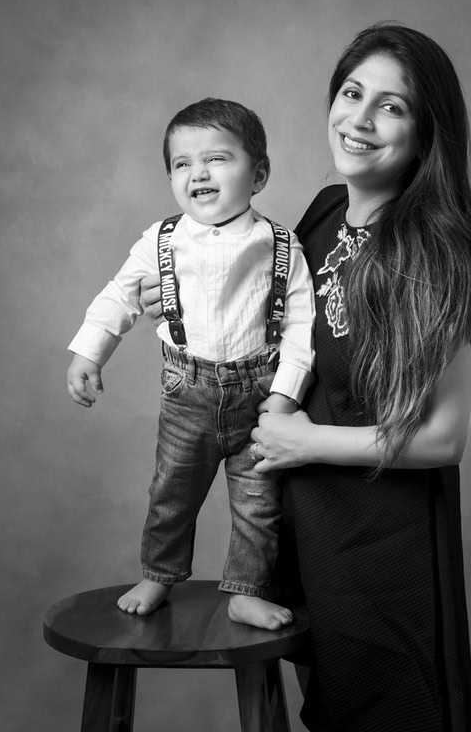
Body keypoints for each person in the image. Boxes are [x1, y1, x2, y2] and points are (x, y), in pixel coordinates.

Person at [144, 24, 471, 730]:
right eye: (351, 93)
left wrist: (304, 443)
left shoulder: (435, 250)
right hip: (307, 538)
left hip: (381, 552)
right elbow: (278, 329)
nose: (359, 120)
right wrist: (189, 296)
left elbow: (443, 438)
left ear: (426, 133)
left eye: (391, 106)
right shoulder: (327, 211)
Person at [65, 98, 315, 631]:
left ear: (259, 175)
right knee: (170, 494)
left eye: (217, 158)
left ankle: (246, 590)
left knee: (258, 505)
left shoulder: (280, 245)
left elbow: (300, 324)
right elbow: (119, 297)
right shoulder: (160, 240)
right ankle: (160, 573)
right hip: (187, 390)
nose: (198, 173)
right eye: (182, 163)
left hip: (260, 394)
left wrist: (285, 394)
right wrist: (89, 352)